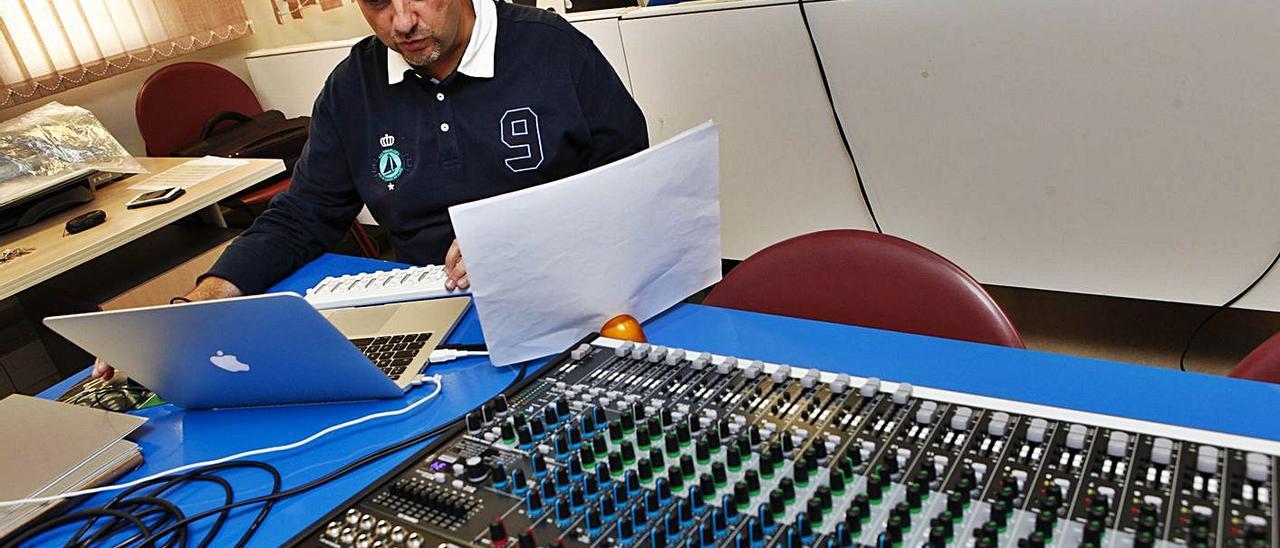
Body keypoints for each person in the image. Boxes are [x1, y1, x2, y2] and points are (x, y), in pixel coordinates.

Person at [92, 0, 647, 379]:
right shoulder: (352, 88)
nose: (402, 22)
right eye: (379, 2)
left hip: (566, 291)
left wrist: (519, 233)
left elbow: (632, 177)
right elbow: (303, 214)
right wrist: (208, 296)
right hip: (435, 317)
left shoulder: (553, 49)